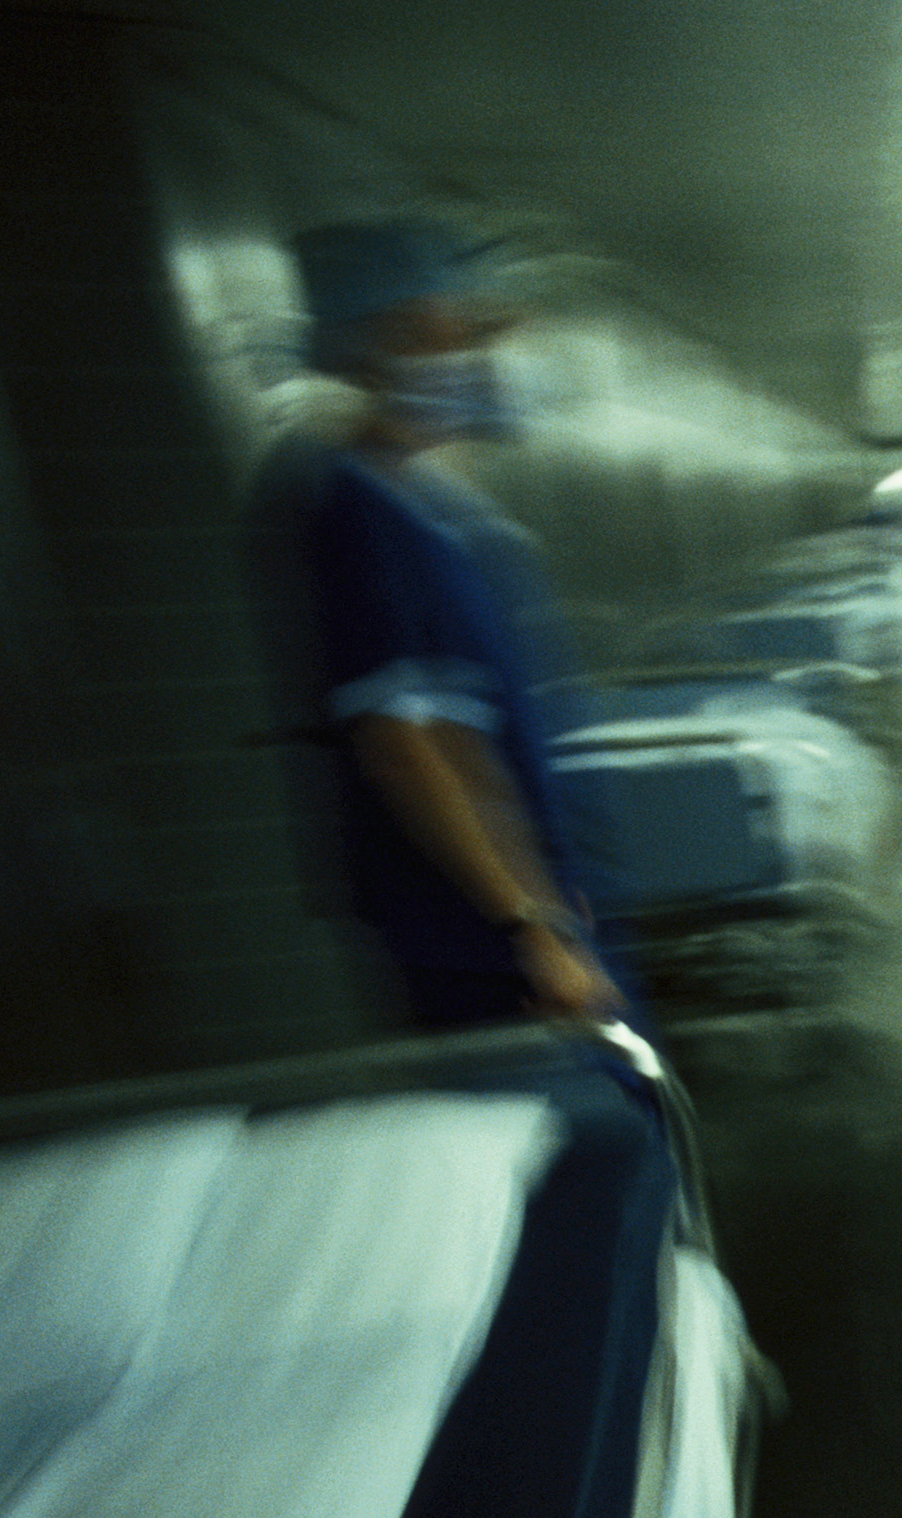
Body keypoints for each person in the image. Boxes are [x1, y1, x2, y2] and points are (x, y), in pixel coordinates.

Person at [282, 218, 629, 1028]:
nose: (471, 357)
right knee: (563, 1129)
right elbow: (408, 746)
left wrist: (551, 898)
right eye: (441, 335)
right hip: (476, 938)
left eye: (475, 334)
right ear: (368, 352)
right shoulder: (354, 512)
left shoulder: (434, 508)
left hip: (533, 914)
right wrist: (530, 926)